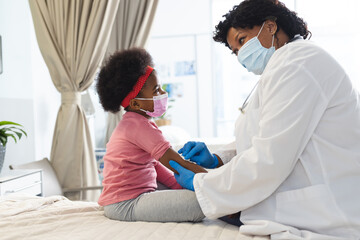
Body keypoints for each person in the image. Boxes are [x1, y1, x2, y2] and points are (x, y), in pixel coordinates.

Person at [169, 0, 360, 239]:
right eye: (235, 51)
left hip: (323, 215)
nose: (240, 57)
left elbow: (270, 157)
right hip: (303, 206)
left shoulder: (298, 63)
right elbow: (264, 140)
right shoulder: (282, 67)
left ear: (270, 27)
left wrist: (202, 183)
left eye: (242, 40)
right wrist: (218, 160)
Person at [96, 48, 206, 223]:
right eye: (156, 90)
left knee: (202, 195)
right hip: (126, 204)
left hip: (133, 196)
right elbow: (177, 163)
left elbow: (157, 169)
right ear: (135, 103)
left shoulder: (136, 123)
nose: (163, 94)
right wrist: (215, 186)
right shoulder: (138, 126)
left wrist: (185, 187)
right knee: (204, 203)